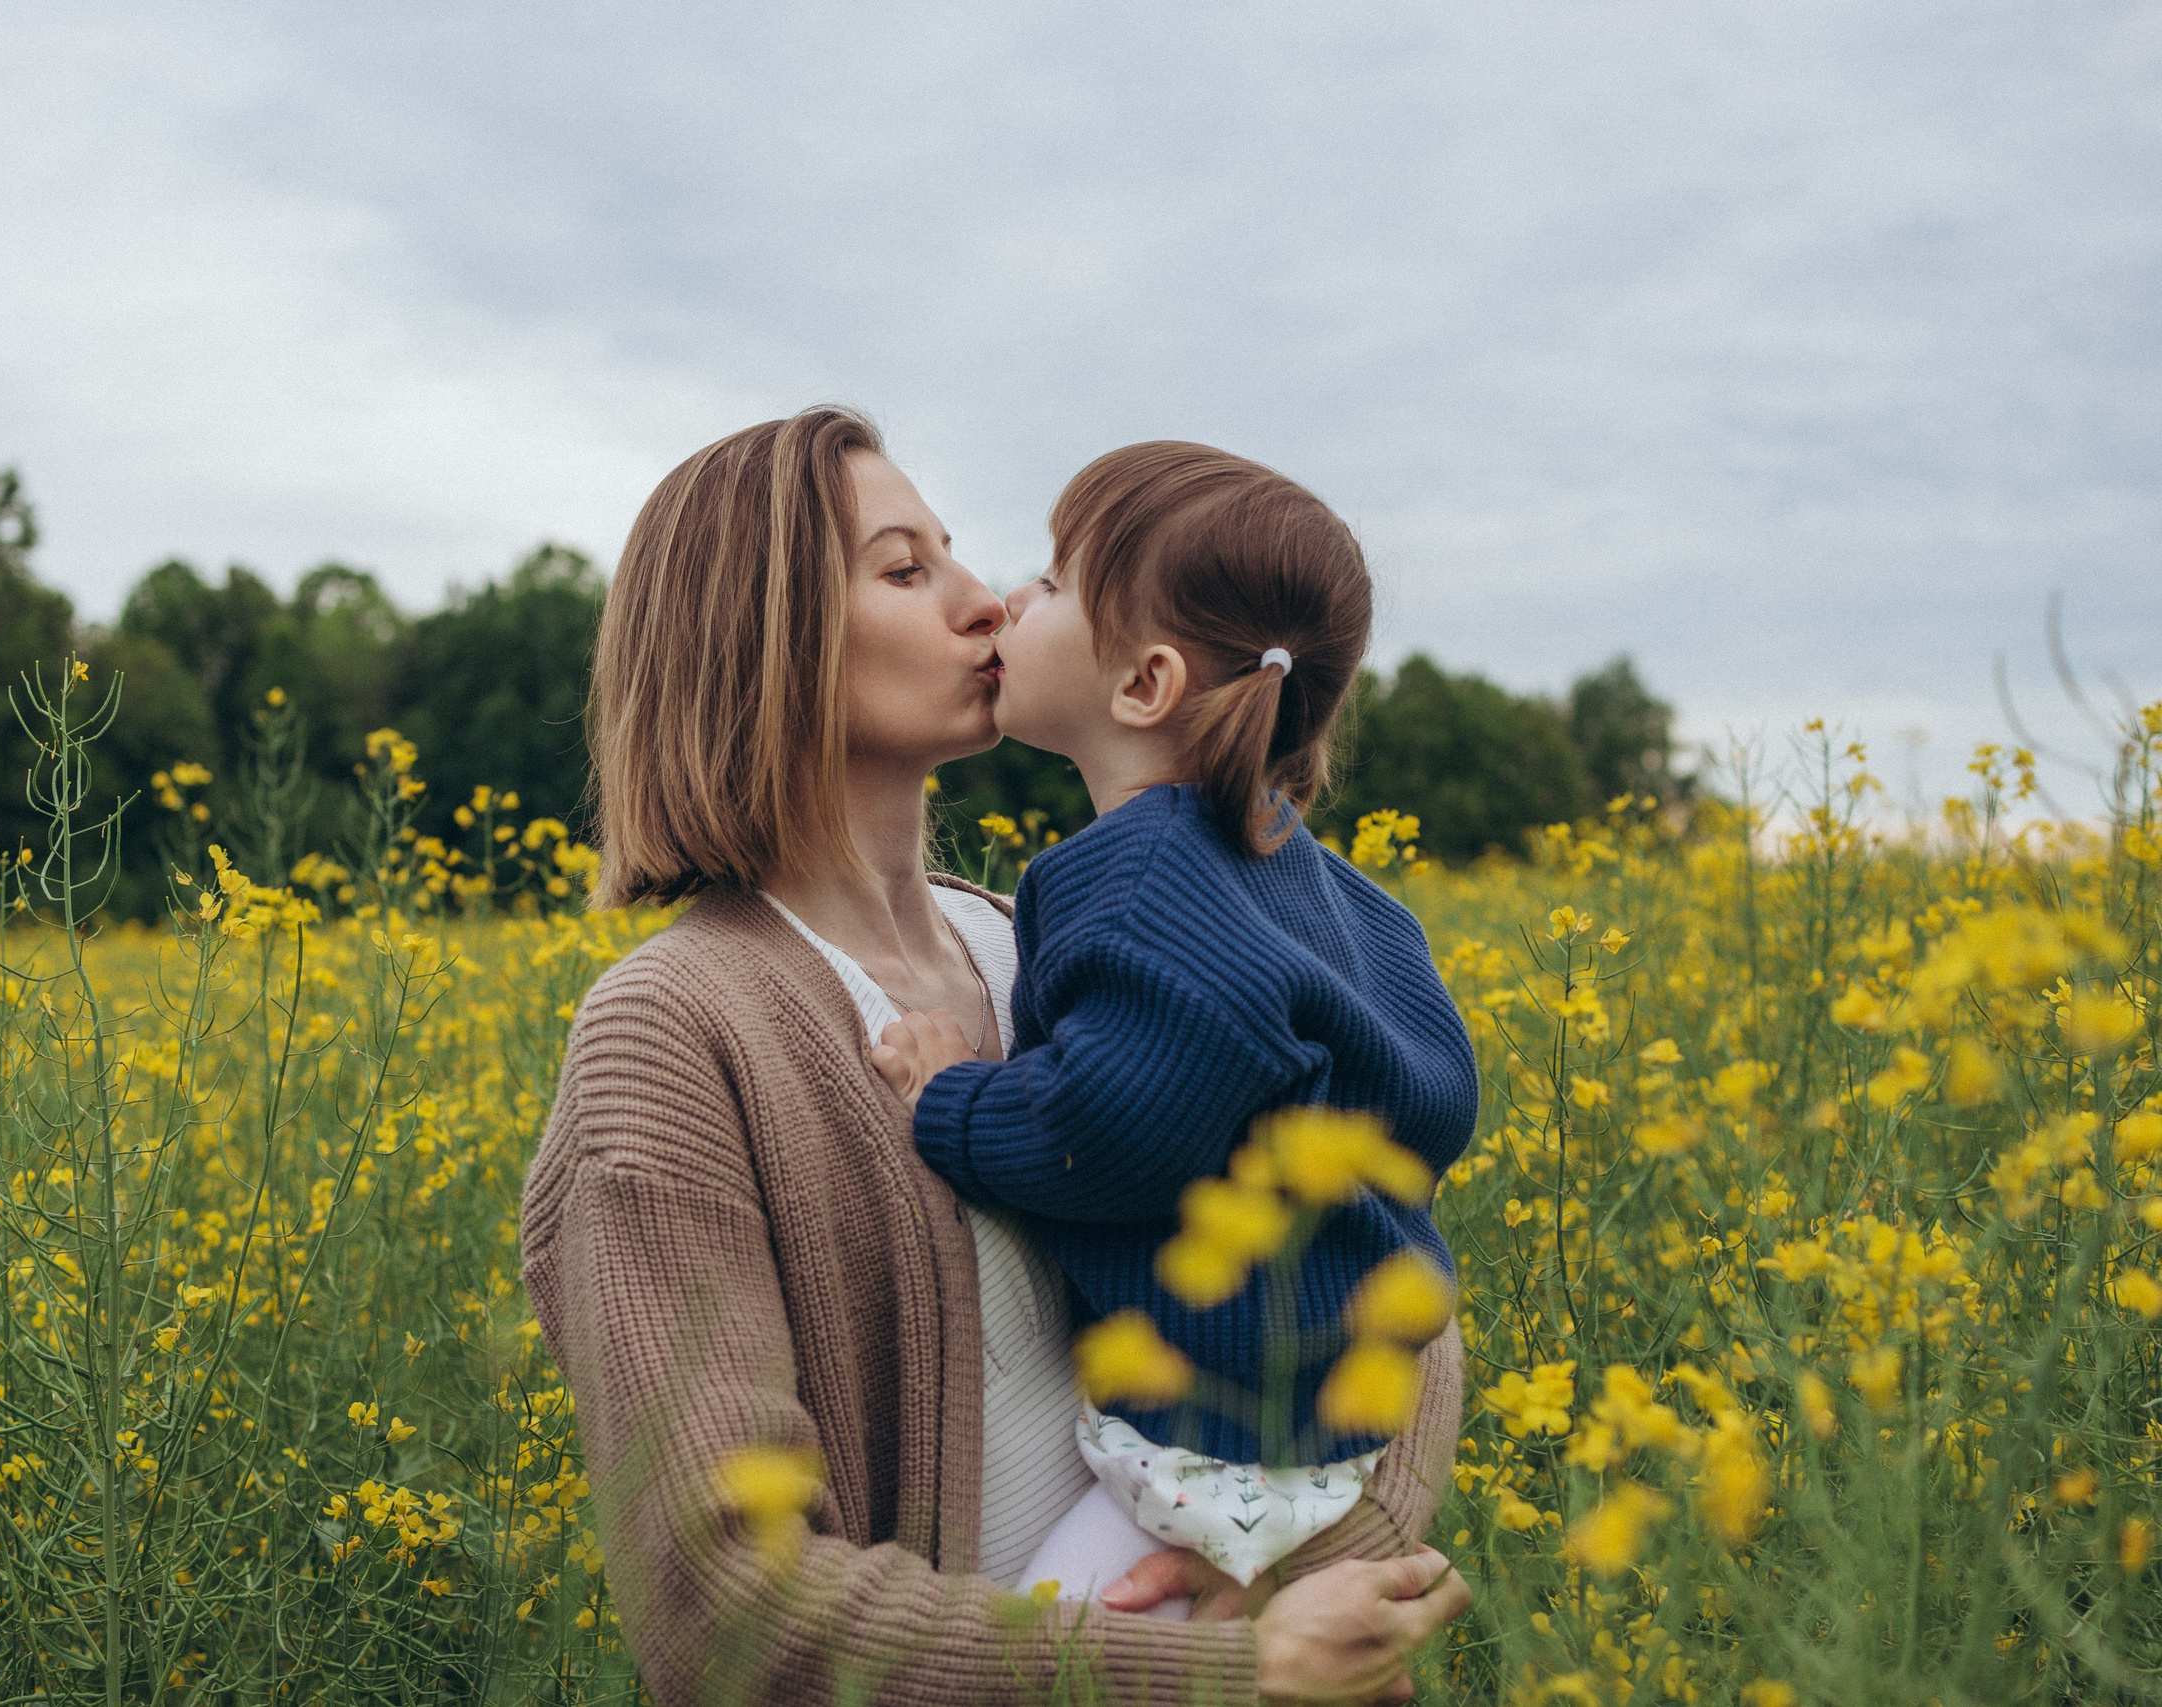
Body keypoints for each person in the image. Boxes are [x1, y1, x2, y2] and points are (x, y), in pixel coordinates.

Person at [519, 407, 1470, 1706]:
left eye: (965, 554)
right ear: (767, 637)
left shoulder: (1064, 945)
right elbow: (725, 1603)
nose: (986, 601)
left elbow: (1378, 1263)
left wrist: (1304, 1562)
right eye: (907, 569)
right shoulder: (675, 1032)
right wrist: (1211, 1667)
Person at [870, 442, 1477, 1615]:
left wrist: (951, 1094)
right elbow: (1426, 1094)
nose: (1006, 597)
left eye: (1050, 583)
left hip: (1204, 1453)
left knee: (1065, 1664)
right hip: (1328, 1425)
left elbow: (1102, 1131)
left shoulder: (1140, 878)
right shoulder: (1328, 886)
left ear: (1143, 686)